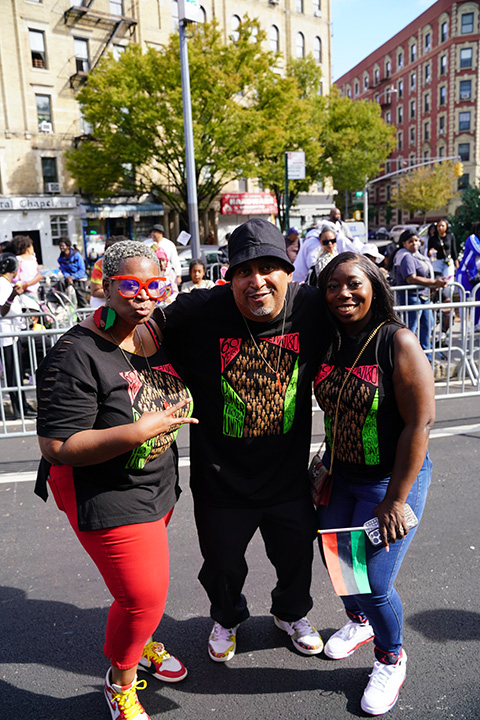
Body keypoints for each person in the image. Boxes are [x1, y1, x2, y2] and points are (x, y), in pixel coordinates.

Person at [35, 241, 198, 720]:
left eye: (154, 285)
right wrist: (137, 432)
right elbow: (56, 446)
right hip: (104, 492)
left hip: (157, 483)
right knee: (143, 597)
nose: (143, 295)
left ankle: (142, 640)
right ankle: (120, 683)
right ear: (106, 287)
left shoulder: (152, 331)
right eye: (130, 285)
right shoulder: (75, 353)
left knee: (137, 596)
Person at [160, 217, 324, 663]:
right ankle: (227, 617)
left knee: (296, 556)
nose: (257, 281)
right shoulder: (200, 311)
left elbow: (364, 317)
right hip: (221, 479)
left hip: (287, 476)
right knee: (221, 564)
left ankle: (291, 614)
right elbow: (141, 328)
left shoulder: (311, 307)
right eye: (244, 271)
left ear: (289, 271)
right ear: (228, 278)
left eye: (268, 267)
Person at [314, 252, 435, 716]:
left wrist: (396, 499)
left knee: (375, 581)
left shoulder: (397, 341)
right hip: (340, 475)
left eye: (353, 283)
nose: (342, 293)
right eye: (332, 285)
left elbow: (420, 423)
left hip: (390, 481)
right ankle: (360, 622)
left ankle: (391, 658)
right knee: (339, 566)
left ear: (374, 286)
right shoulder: (330, 340)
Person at [393, 229, 447, 351]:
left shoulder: (418, 256)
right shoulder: (406, 257)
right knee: (411, 329)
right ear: (404, 243)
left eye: (416, 240)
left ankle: (426, 355)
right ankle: (407, 355)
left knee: (428, 325)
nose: (414, 243)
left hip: (423, 296)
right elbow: (411, 279)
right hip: (411, 296)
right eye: (410, 241)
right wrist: (434, 283)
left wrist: (433, 284)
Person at [0, 253, 36, 419]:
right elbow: (2, 310)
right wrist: (13, 296)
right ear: (14, 270)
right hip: (7, 335)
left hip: (13, 334)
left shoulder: (7, 283)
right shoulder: (2, 284)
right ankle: (19, 409)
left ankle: (23, 405)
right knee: (13, 374)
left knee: (18, 372)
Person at [90, 236, 127, 309]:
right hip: (101, 302)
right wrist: (118, 294)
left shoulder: (131, 263)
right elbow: (95, 291)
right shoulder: (100, 265)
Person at [456, 221, 480, 328]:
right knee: (465, 300)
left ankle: (475, 324)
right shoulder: (472, 238)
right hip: (465, 274)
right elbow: (478, 250)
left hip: (477, 275)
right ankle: (464, 327)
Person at [57, 237, 89, 308]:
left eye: (63, 246)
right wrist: (67, 277)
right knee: (61, 283)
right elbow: (63, 270)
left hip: (79, 278)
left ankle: (84, 310)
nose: (61, 247)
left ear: (68, 246)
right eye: (60, 246)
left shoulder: (76, 255)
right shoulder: (61, 259)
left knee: (81, 297)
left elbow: (82, 270)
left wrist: (73, 277)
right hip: (69, 279)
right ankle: (63, 304)